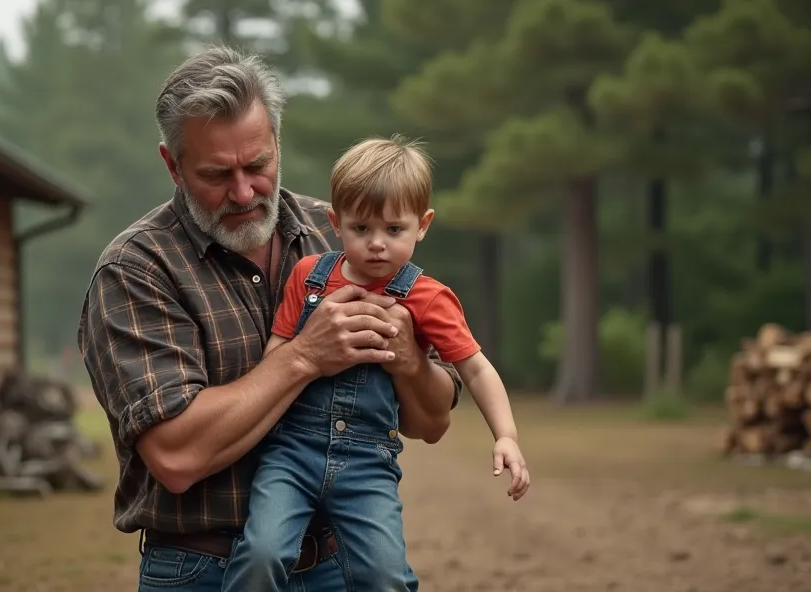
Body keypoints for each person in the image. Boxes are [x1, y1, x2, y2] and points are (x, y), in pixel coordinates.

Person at [78, 46, 474, 591]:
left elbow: (430, 424)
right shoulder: (136, 272)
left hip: (343, 566)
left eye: (258, 165)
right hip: (203, 572)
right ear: (172, 164)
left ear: (277, 144)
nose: (243, 192)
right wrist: (306, 356)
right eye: (218, 174)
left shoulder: (343, 233)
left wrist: (408, 359)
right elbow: (177, 455)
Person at [219, 136, 531, 592]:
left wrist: (506, 435)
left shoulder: (429, 298)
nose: (377, 245)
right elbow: (276, 356)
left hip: (367, 462)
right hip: (290, 454)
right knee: (262, 554)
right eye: (361, 229)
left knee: (383, 574)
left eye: (394, 230)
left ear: (422, 225)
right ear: (335, 222)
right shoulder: (309, 276)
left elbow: (476, 368)